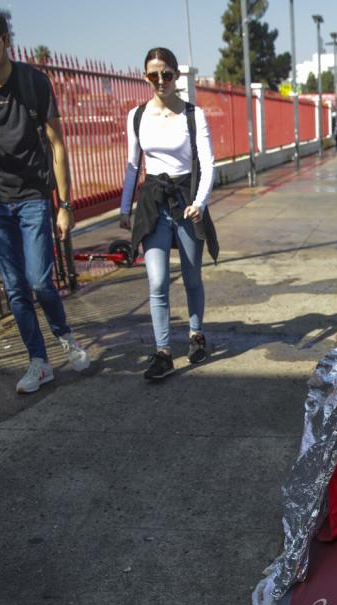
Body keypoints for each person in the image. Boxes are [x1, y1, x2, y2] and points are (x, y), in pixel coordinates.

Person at [0, 4, 89, 394]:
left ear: (6, 40)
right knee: (14, 288)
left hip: (32, 196)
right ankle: (38, 361)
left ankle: (65, 336)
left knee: (40, 281)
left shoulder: (33, 82)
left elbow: (58, 144)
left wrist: (64, 205)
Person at [119, 47, 217, 381]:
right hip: (153, 204)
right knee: (157, 281)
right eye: (152, 75)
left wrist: (200, 202)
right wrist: (123, 207)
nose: (160, 81)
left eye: (166, 74)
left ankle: (196, 333)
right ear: (145, 77)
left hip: (186, 200)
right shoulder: (136, 116)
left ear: (176, 75)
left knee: (191, 278)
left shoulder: (193, 115)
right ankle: (163, 352)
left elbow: (207, 163)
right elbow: (133, 166)